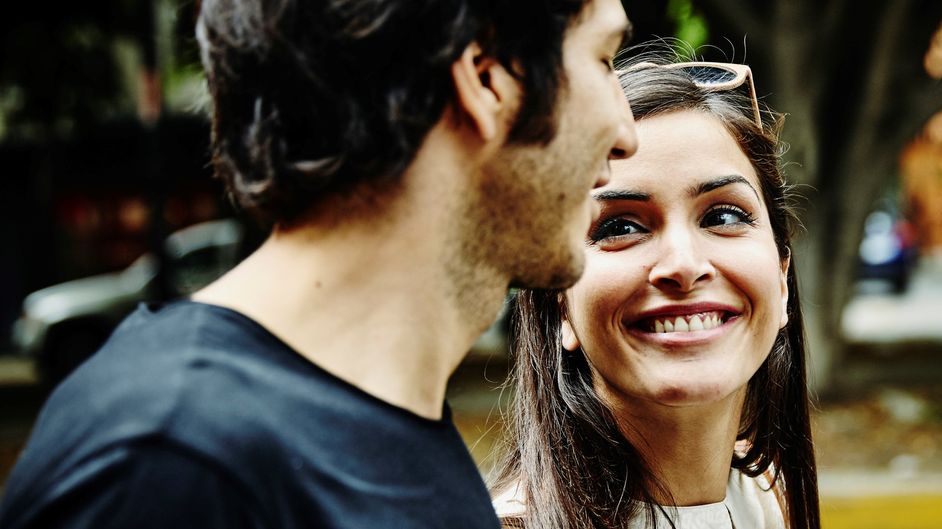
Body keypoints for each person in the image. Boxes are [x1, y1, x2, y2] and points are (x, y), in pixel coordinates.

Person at [0, 0, 637, 527]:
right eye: (604, 60)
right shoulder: (171, 463)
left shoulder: (384, 429)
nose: (626, 131)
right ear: (488, 76)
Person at [489, 58, 820, 529]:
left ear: (782, 276)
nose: (683, 265)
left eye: (723, 216)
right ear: (558, 303)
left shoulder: (768, 494)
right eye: (620, 226)